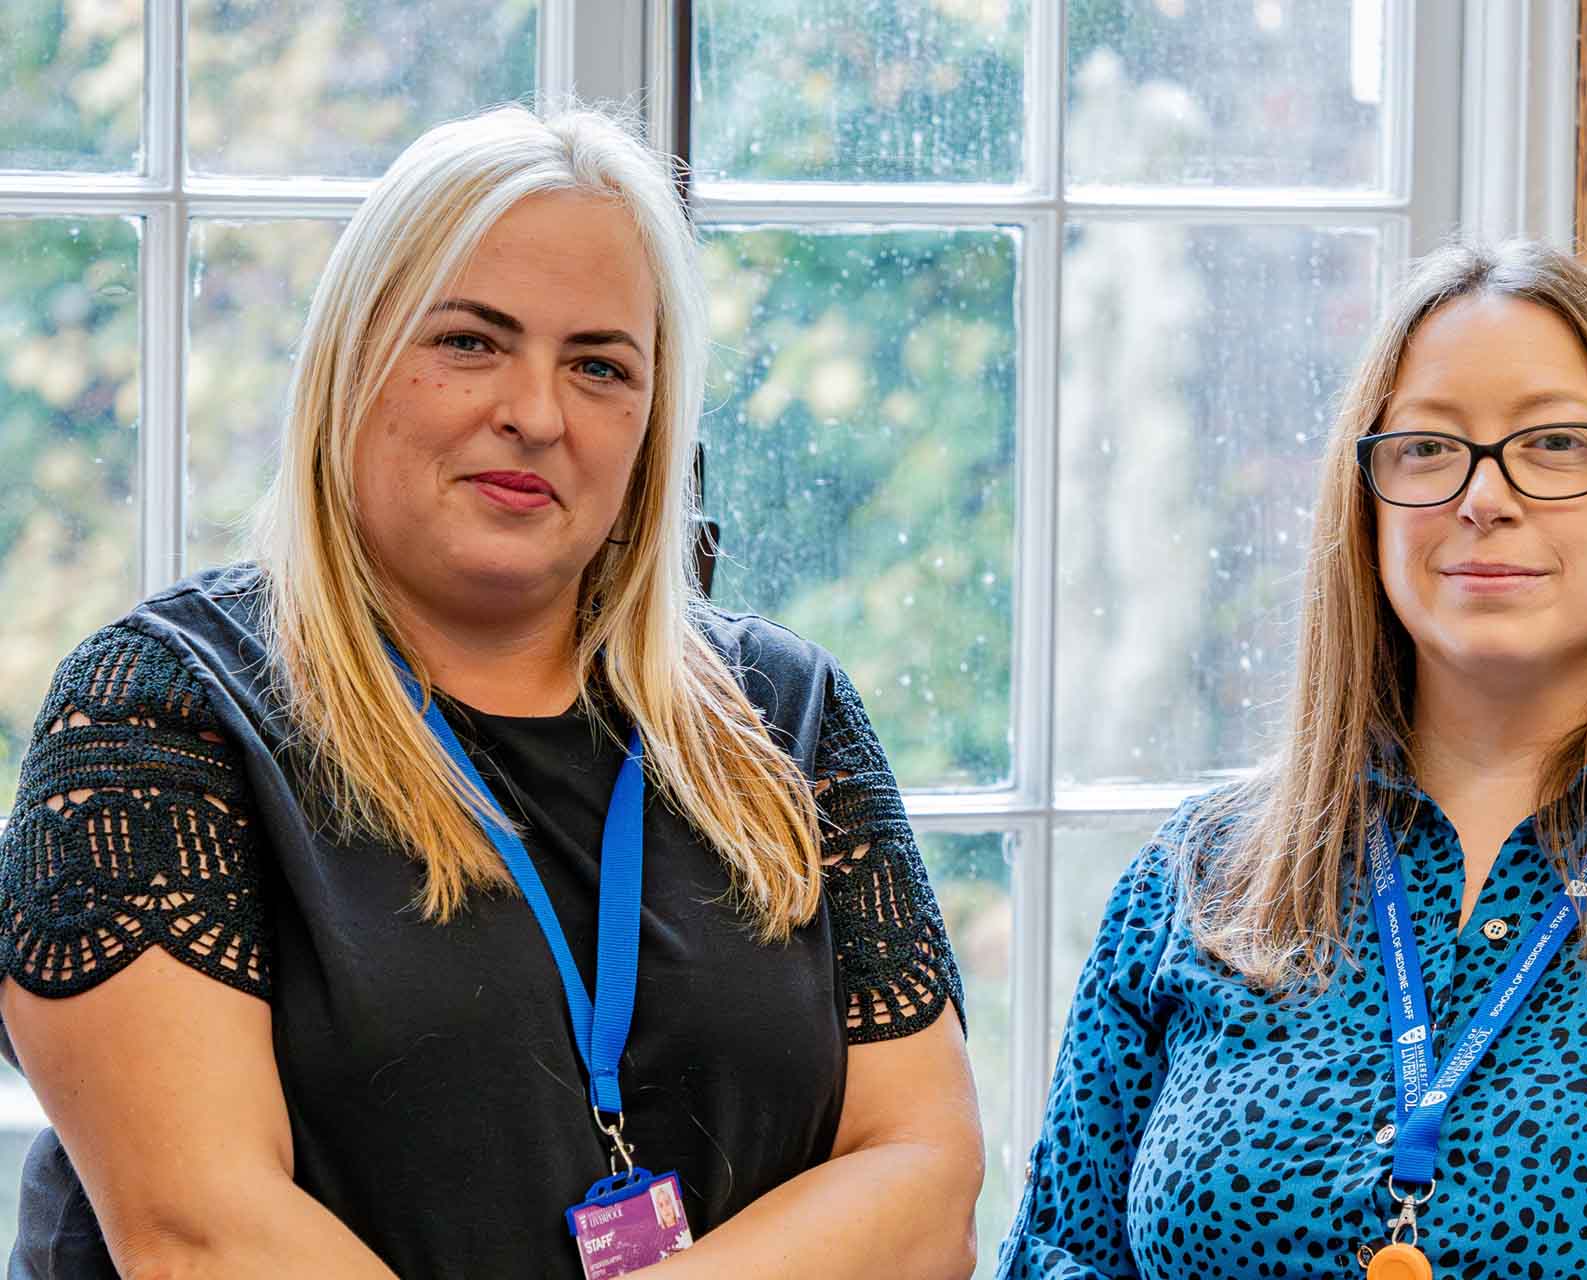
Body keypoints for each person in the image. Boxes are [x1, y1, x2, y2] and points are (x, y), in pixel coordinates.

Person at [0, 104, 982, 1279]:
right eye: (470, 340)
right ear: (352, 358)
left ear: (654, 421)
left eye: (600, 364)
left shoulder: (783, 713)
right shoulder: (164, 711)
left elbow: (925, 1181)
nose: (536, 412)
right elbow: (200, 1236)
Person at [997, 240, 1587, 1278]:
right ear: (1369, 500)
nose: (1484, 495)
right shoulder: (1200, 876)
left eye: (1555, 443)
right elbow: (1058, 1254)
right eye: (1428, 447)